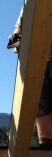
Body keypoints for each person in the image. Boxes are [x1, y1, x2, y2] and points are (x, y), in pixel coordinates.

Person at [8, 8, 52, 147]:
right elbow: (19, 27)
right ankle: (46, 150)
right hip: (40, 62)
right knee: (43, 112)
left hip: (41, 61)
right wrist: (16, 43)